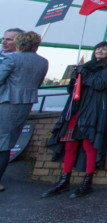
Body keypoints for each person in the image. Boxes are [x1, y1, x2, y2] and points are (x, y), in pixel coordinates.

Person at [42, 42, 107, 199]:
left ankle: (87, 181)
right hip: (76, 108)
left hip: (92, 110)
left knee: (89, 144)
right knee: (70, 143)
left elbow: (99, 84)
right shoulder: (86, 66)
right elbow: (71, 89)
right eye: (97, 48)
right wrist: (74, 77)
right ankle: (64, 180)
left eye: (104, 49)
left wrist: (84, 74)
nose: (100, 51)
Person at [0, 31, 48, 192]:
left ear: (19, 43)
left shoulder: (12, 58)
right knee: (7, 143)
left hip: (6, 102)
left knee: (2, 144)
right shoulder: (43, 61)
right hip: (25, 105)